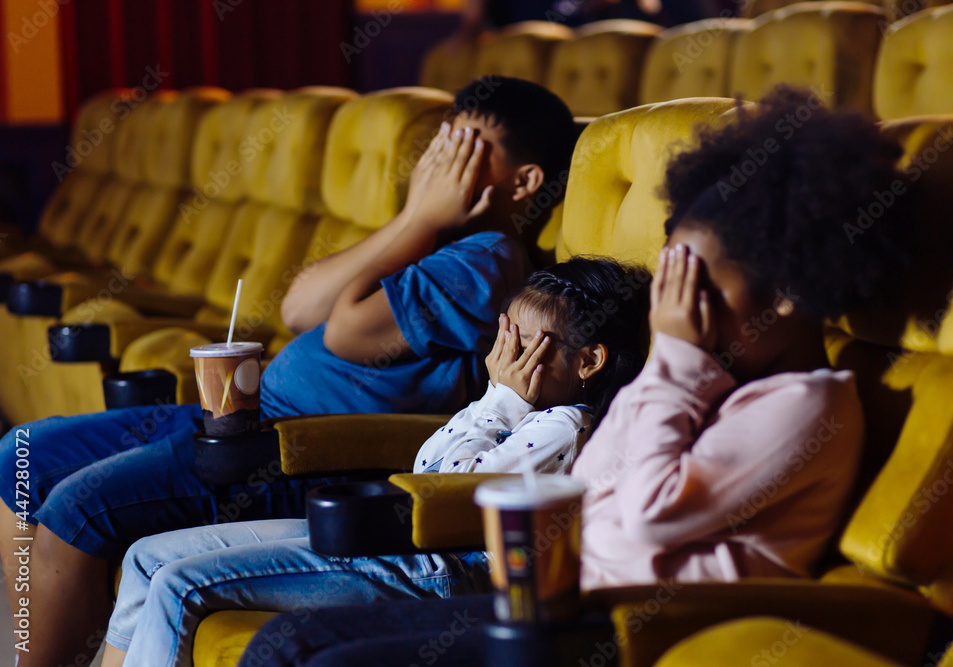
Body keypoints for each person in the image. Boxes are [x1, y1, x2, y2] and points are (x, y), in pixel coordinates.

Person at [237, 85, 911, 666]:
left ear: (789, 292)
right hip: (550, 606)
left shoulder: (803, 405)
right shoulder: (708, 379)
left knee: (303, 656)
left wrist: (675, 362)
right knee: (291, 640)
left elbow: (647, 519)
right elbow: (592, 488)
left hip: (615, 634)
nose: (671, 309)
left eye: (695, 285)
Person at [0, 76, 580, 667]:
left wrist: (418, 217)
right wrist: (414, 220)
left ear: (525, 180)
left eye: (467, 144)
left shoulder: (484, 259)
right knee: (20, 455)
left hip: (306, 448)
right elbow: (297, 307)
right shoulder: (431, 240)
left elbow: (346, 333)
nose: (437, 160)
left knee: (80, 507)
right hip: (251, 415)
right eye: (443, 137)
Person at [98, 258, 651, 667]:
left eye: (523, 342)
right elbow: (425, 463)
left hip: (439, 569)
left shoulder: (564, 428)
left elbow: (441, 486)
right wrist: (495, 401)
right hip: (398, 540)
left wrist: (501, 399)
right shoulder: (521, 410)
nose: (501, 357)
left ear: (588, 361)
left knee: (178, 585)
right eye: (503, 335)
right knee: (146, 558)